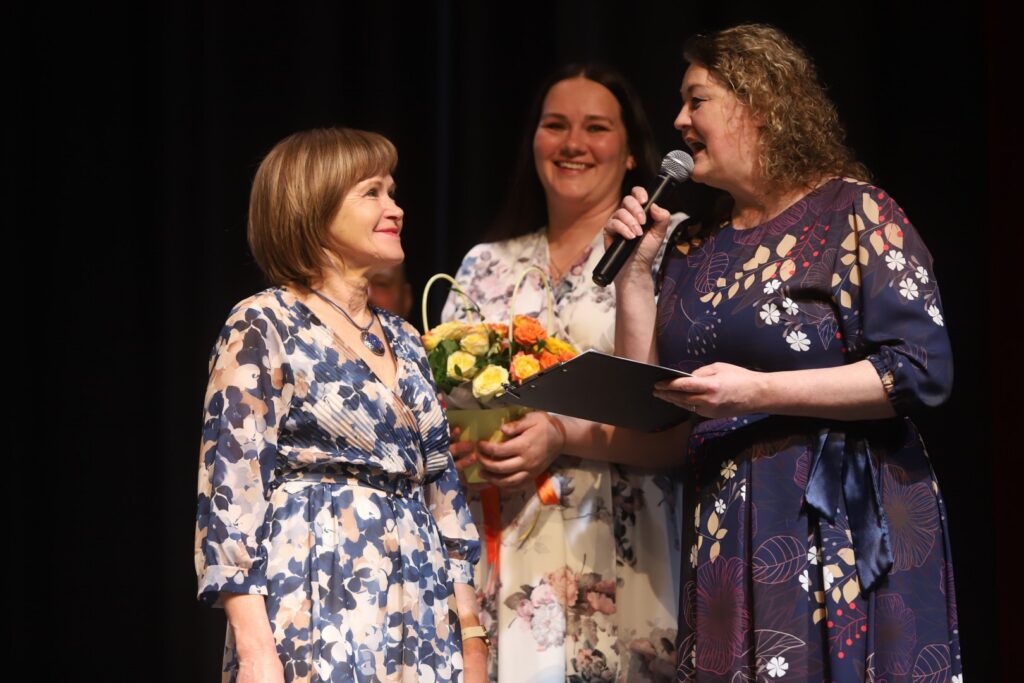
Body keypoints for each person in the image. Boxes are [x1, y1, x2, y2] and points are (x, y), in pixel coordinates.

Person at [602, 24, 962, 682]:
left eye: (697, 100)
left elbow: (921, 369)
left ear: (761, 106)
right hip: (727, 528)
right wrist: (634, 273)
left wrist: (758, 392)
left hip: (839, 522)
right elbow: (650, 403)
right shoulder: (693, 244)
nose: (678, 120)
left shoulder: (855, 213)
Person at [194, 128, 485, 683]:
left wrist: (472, 639)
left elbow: (444, 497)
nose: (395, 208)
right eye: (372, 192)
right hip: (316, 599)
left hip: (422, 611)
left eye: (392, 191)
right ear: (314, 208)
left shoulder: (404, 339)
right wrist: (256, 654)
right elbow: (231, 497)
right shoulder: (264, 323)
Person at [442, 65, 684, 682]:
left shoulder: (668, 250)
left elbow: (677, 423)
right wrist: (460, 443)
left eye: (596, 128)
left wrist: (559, 432)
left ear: (631, 153)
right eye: (556, 125)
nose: (573, 143)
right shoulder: (485, 264)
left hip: (624, 542)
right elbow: (441, 407)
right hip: (502, 543)